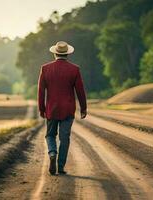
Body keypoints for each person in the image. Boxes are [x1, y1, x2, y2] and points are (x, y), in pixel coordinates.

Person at [37, 41, 87, 175]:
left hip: (51, 109)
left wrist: (41, 108)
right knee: (65, 138)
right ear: (67, 54)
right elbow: (80, 91)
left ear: (54, 53)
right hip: (68, 109)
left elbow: (41, 91)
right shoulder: (74, 69)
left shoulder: (45, 68)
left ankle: (52, 153)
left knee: (50, 135)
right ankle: (60, 166)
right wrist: (83, 108)